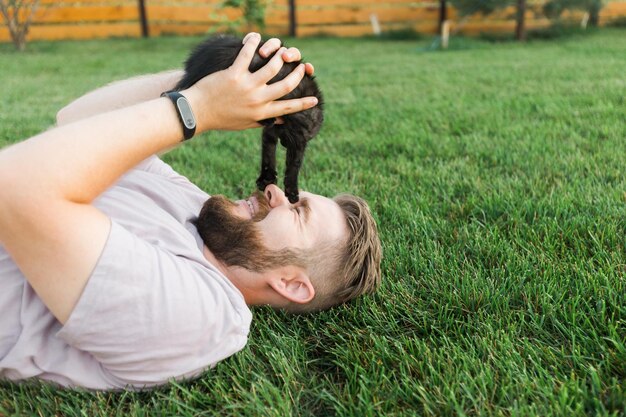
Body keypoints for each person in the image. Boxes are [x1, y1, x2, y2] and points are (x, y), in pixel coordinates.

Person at [0, 33, 381, 390]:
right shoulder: (195, 208)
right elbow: (76, 122)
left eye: (297, 213)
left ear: (291, 284)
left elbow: (15, 187)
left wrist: (197, 108)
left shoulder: (200, 314)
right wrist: (222, 75)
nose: (276, 192)